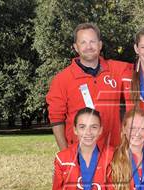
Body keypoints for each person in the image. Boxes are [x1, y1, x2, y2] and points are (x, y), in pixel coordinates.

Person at [46, 22, 130, 150]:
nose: (88, 47)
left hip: (113, 151)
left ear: (100, 45)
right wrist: (65, 154)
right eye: (83, 42)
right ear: (76, 47)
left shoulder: (117, 69)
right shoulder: (61, 79)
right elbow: (56, 119)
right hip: (80, 154)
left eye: (92, 41)